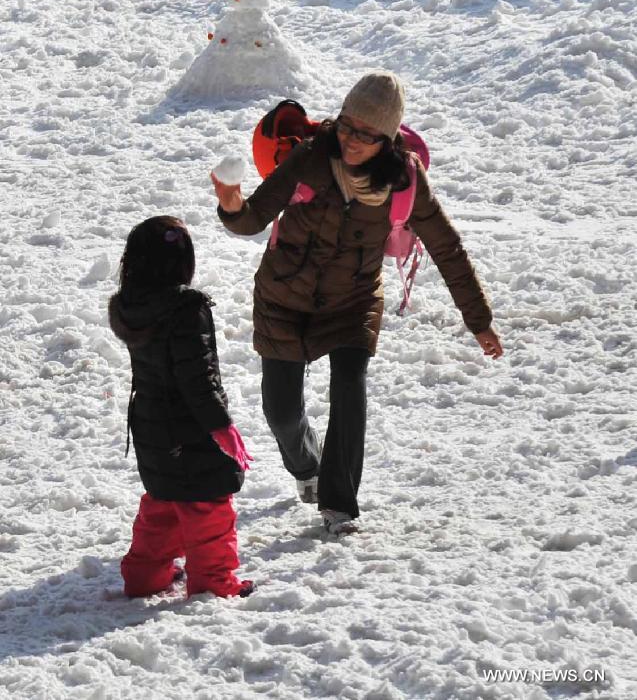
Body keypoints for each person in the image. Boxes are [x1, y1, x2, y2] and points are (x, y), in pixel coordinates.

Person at [211, 72, 503, 535]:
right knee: (281, 412)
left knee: (350, 385)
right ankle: (306, 468)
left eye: (366, 135)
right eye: (347, 126)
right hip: (284, 296)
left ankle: (340, 504)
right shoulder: (310, 158)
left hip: (353, 300)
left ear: (386, 139)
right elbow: (254, 218)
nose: (351, 140)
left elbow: (448, 248)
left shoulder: (405, 180)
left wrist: (479, 321)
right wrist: (231, 205)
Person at [108, 216, 254, 598]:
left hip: (150, 425)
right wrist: (222, 427)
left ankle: (143, 578)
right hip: (190, 428)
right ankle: (214, 583)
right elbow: (198, 380)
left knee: (163, 503)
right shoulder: (187, 310)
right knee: (208, 508)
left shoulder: (129, 307)